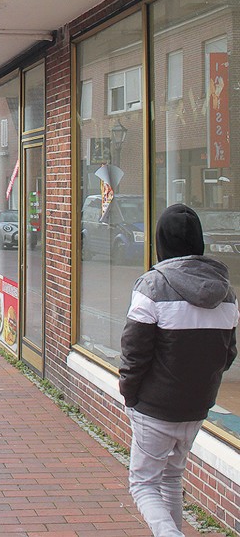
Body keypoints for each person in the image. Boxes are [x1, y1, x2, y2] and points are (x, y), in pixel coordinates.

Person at [120, 204, 239, 536]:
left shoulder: (152, 287)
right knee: (172, 477)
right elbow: (227, 354)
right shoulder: (227, 293)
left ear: (161, 242)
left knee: (143, 484)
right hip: (197, 408)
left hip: (154, 407)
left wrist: (130, 394)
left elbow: (134, 351)